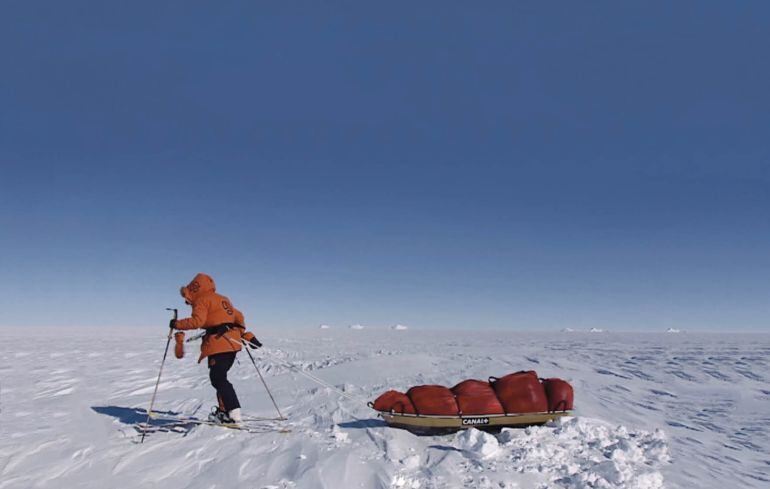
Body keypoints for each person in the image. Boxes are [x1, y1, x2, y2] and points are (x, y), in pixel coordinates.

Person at [171, 273, 262, 425]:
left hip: (219, 344)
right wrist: (239, 331)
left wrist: (176, 324)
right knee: (220, 377)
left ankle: (233, 412)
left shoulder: (202, 300)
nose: (187, 302)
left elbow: (197, 321)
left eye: (187, 296)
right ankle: (224, 412)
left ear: (194, 289)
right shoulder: (223, 299)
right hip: (232, 345)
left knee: (218, 378)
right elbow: (238, 316)